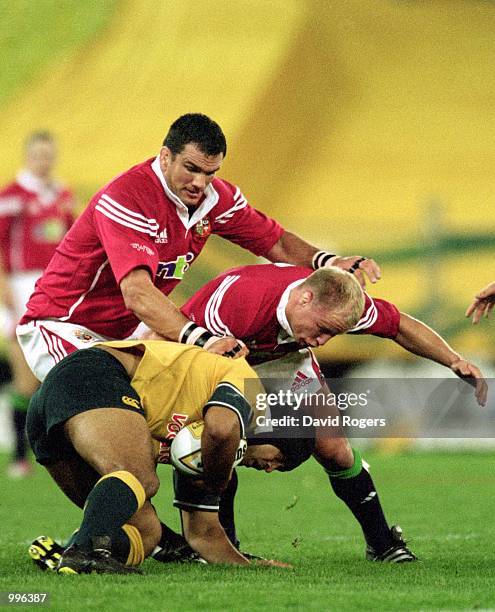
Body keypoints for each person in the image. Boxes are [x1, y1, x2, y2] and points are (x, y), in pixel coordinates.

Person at [16, 113, 381, 383]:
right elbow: (138, 293)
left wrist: (328, 260)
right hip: (63, 324)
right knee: (115, 408)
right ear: (165, 157)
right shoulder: (128, 196)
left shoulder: (216, 199)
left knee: (183, 415)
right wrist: (202, 340)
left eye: (211, 172)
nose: (199, 182)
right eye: (191, 168)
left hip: (127, 334)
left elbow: (276, 242)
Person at [178, 262, 486, 561]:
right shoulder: (239, 302)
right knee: (221, 437)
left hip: (283, 356)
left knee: (334, 446)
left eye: (332, 334)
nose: (322, 342)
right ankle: (219, 545)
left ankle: (382, 543)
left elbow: (399, 325)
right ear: (304, 297)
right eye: (322, 329)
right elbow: (181, 349)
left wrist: (453, 360)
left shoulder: (339, 303)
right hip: (210, 356)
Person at [25, 338, 297, 574]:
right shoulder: (247, 392)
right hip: (90, 374)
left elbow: (203, 535)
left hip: (53, 413)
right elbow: (221, 429)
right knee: (140, 478)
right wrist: (218, 480)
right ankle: (83, 554)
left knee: (146, 532)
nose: (271, 468)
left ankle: (68, 553)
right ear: (275, 429)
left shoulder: (210, 449)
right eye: (282, 458)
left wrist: (247, 567)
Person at [0, 131, 75, 478]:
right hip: (20, 287)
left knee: (59, 374)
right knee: (26, 380)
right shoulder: (12, 196)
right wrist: (5, 292)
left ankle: (60, 453)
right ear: (28, 156)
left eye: (49, 155)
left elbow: (74, 241)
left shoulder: (62, 194)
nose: (44, 161)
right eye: (38, 155)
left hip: (55, 288)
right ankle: (18, 456)